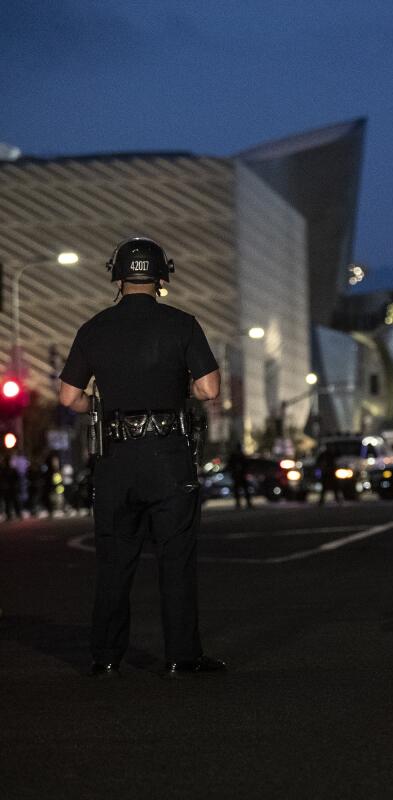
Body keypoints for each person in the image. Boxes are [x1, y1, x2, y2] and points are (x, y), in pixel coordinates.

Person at [58, 237, 226, 677]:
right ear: (161, 276)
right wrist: (174, 391)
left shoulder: (93, 328)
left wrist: (103, 403)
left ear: (116, 275)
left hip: (115, 458)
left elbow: (68, 397)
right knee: (176, 558)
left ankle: (106, 657)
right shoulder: (183, 324)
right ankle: (181, 657)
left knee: (114, 560)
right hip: (169, 456)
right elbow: (209, 389)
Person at [226, 443, 254, 510]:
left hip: (240, 475)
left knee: (242, 489)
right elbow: (231, 465)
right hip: (238, 475)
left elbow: (245, 465)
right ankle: (241, 503)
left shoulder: (239, 456)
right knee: (240, 490)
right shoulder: (237, 456)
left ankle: (244, 503)